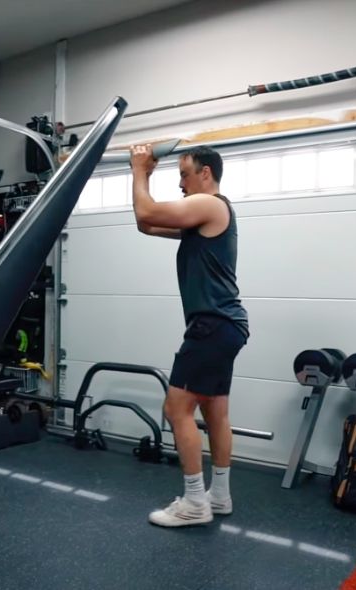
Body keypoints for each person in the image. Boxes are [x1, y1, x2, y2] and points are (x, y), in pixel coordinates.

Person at [129, 144, 249, 527]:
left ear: (206, 174)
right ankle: (220, 495)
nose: (180, 183)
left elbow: (146, 210)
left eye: (184, 174)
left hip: (212, 325)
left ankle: (195, 502)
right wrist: (144, 175)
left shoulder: (211, 206)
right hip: (224, 325)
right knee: (215, 411)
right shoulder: (199, 219)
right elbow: (145, 223)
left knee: (176, 408)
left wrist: (137, 169)